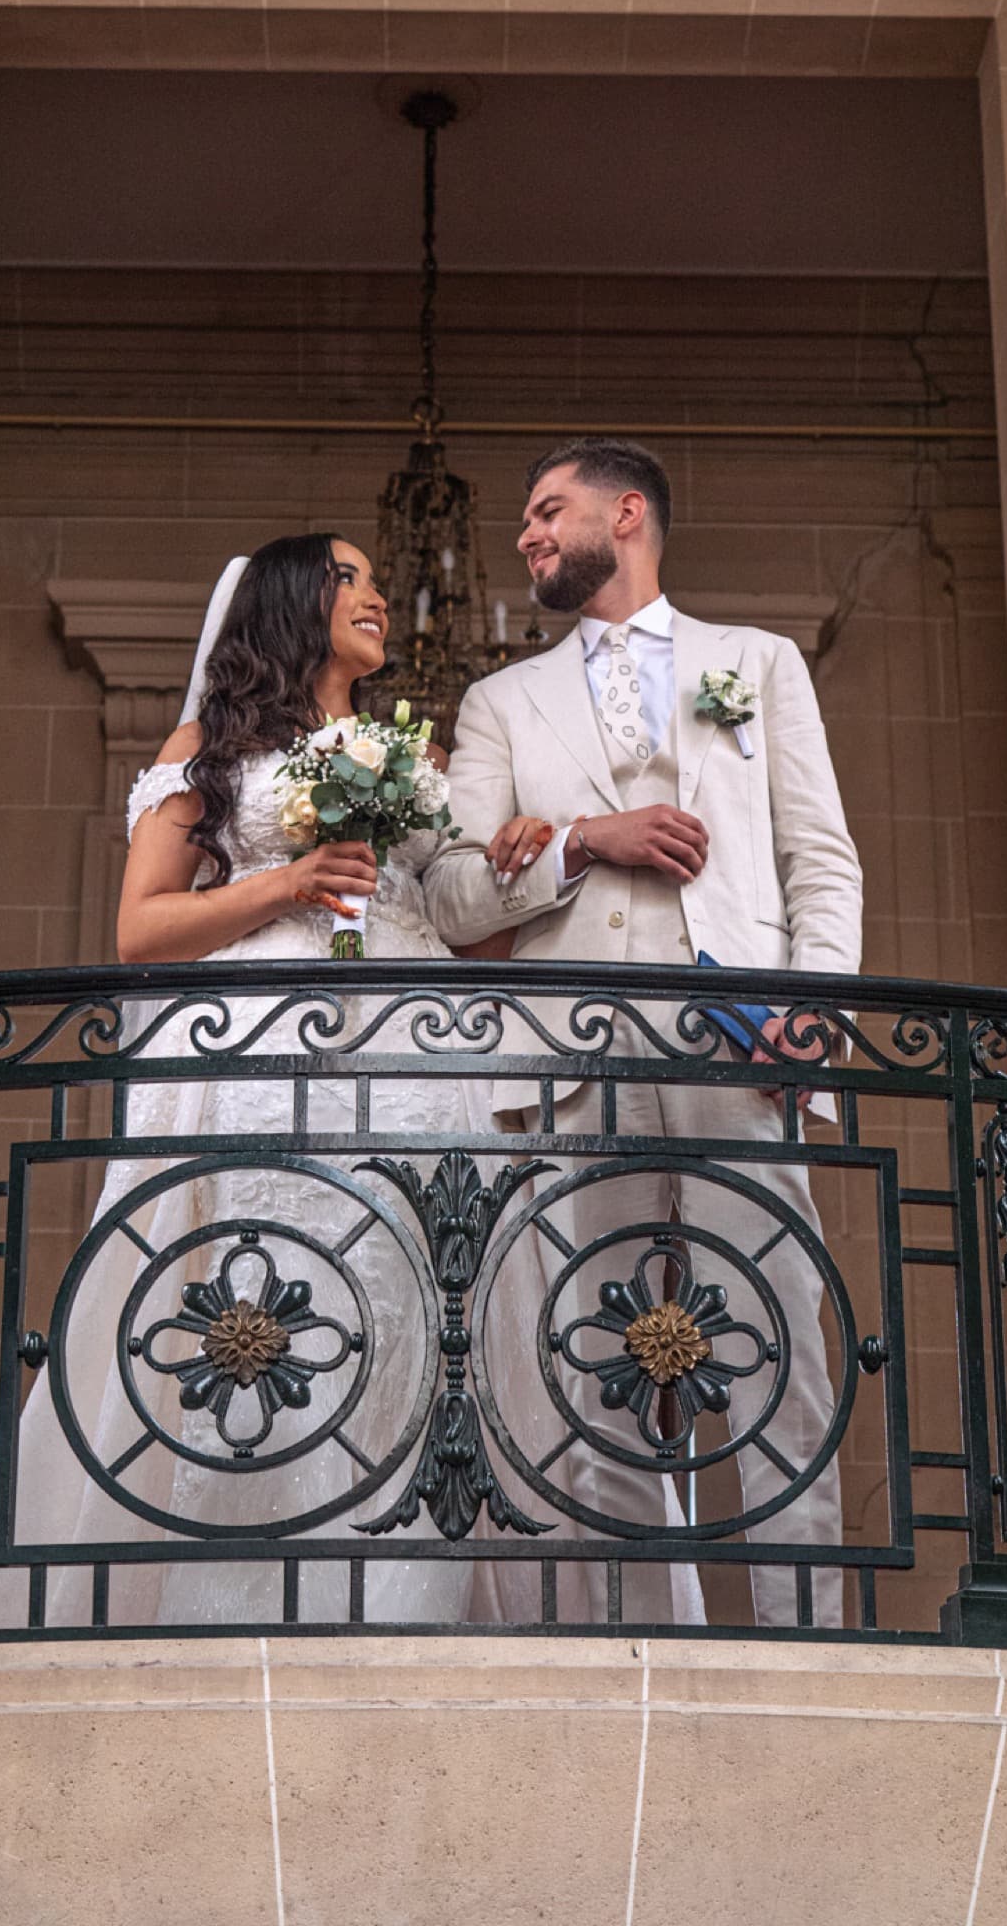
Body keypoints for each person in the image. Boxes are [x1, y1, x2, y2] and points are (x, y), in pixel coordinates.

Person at [0, 533, 546, 1630]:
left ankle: (411, 1588)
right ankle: (253, 1583)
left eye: (375, 578)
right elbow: (142, 926)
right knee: (276, 1293)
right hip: (270, 1053)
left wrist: (515, 862)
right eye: (353, 577)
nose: (377, 597)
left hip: (421, 1055)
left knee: (414, 1291)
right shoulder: (207, 748)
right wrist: (291, 881)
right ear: (292, 600)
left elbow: (456, 927)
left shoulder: (407, 754)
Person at [423, 438, 863, 1628]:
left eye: (545, 509)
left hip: (739, 1052)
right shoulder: (498, 702)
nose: (524, 533)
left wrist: (813, 1011)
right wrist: (582, 841)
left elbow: (821, 861)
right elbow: (458, 898)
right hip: (577, 1070)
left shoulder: (757, 665)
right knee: (597, 1360)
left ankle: (804, 1636)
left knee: (780, 1356)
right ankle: (631, 1646)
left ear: (627, 516)